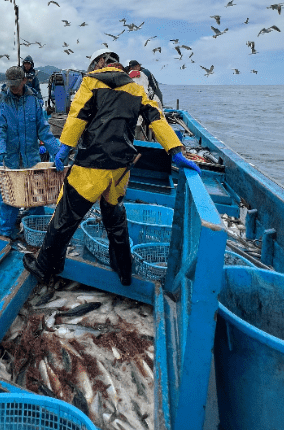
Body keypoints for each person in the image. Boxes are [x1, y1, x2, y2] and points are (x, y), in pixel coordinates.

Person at [23, 51, 200, 287]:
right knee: (115, 221)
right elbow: (156, 117)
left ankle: (46, 267)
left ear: (99, 63)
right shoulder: (136, 88)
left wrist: (64, 148)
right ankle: (124, 271)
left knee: (64, 218)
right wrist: (175, 151)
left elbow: (77, 117)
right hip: (120, 169)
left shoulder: (91, 81)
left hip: (92, 166)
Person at [0, 66, 62, 238]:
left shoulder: (33, 100)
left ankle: (35, 230)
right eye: (11, 85)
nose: (13, 88)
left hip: (31, 156)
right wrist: (0, 150)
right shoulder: (2, 99)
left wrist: (56, 151)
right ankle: (6, 232)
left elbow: (44, 129)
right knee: (9, 196)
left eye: (16, 84)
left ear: (24, 80)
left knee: (36, 193)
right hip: (10, 157)